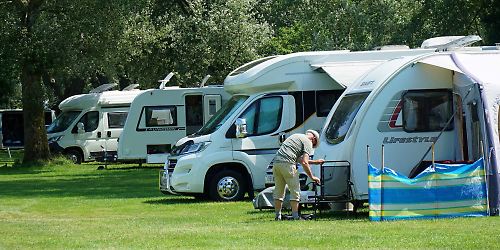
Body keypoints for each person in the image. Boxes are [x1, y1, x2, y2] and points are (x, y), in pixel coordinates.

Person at [273, 129, 324, 220]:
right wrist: (312, 177)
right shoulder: (308, 141)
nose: (312, 146)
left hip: (276, 163)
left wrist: (315, 162)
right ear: (314, 139)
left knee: (279, 191)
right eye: (314, 145)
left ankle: (278, 216)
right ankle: (296, 216)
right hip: (288, 165)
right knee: (295, 190)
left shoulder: (296, 136)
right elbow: (304, 162)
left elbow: (299, 159)